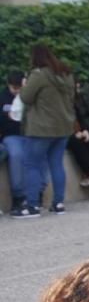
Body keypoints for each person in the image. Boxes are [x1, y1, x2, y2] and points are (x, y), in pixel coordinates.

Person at [12, 45, 76, 218]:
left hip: (41, 128)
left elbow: (26, 97)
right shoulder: (66, 74)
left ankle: (32, 206)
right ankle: (58, 203)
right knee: (56, 163)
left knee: (31, 164)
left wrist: (25, 85)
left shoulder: (39, 75)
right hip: (63, 127)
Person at [1, 70, 27, 212]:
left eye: (20, 88)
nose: (17, 92)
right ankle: (18, 197)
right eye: (14, 88)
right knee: (16, 155)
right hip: (11, 135)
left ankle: (37, 194)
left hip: (30, 134)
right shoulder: (2, 98)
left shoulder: (28, 96)